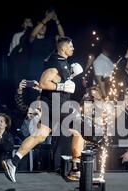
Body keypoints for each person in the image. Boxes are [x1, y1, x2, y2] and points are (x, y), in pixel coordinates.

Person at [5, 37, 83, 182]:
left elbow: (58, 81)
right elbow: (43, 83)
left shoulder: (62, 61)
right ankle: (75, 169)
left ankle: (13, 162)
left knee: (40, 135)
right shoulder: (55, 63)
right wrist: (62, 86)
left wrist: (70, 75)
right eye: (71, 46)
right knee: (79, 131)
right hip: (56, 105)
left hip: (53, 105)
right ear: (63, 48)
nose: (73, 48)